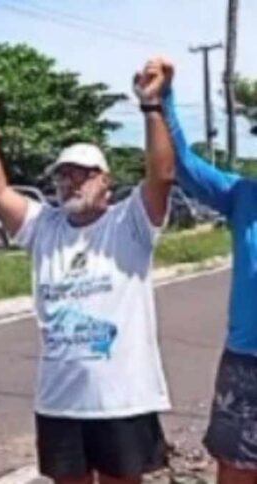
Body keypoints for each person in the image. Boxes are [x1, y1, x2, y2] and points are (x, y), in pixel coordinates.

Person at [0, 58, 176, 484]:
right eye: (63, 176)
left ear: (107, 183)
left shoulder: (129, 223)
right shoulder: (45, 227)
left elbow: (162, 174)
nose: (71, 183)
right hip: (60, 401)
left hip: (121, 401)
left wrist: (152, 107)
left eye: (83, 175)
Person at [162, 62, 257, 484]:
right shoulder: (242, 195)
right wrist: (162, 98)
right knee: (236, 469)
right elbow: (181, 164)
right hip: (246, 363)